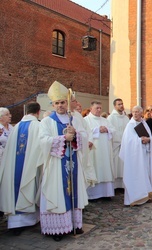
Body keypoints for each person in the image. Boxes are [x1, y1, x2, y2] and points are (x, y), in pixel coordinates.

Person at [39, 81, 88, 241]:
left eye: (62, 102)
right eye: (57, 103)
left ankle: (74, 224)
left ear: (67, 103)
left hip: (73, 162)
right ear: (53, 104)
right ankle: (57, 229)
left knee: (74, 193)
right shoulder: (47, 121)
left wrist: (76, 135)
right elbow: (42, 141)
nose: (60, 105)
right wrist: (62, 138)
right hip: (56, 164)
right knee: (58, 193)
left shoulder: (73, 119)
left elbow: (84, 136)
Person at [0, 102, 43, 236]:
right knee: (28, 187)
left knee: (15, 188)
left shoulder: (16, 127)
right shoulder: (38, 126)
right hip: (30, 166)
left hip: (14, 168)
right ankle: (28, 220)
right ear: (38, 112)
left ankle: (15, 223)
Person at [119, 106, 152, 206]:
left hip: (144, 154)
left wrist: (148, 140)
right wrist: (140, 140)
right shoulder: (130, 125)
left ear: (141, 113)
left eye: (137, 112)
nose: (135, 114)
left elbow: (150, 137)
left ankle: (146, 195)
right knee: (136, 175)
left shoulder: (144, 124)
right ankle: (134, 198)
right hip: (134, 158)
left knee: (145, 174)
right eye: (133, 112)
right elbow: (128, 141)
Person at [84, 101, 115, 200]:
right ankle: (93, 195)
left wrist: (107, 129)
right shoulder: (86, 120)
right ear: (91, 108)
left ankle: (106, 193)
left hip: (105, 150)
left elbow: (113, 130)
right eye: (97, 108)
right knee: (95, 168)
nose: (99, 110)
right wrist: (97, 129)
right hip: (94, 150)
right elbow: (84, 133)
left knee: (105, 169)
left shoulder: (105, 120)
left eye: (100, 108)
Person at [108, 98, 130, 189]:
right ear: (115, 106)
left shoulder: (126, 117)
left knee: (124, 165)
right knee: (116, 165)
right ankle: (115, 186)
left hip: (125, 145)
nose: (121, 106)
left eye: (122, 104)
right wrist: (119, 140)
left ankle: (123, 185)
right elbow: (110, 130)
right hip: (116, 145)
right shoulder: (111, 117)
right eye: (119, 104)